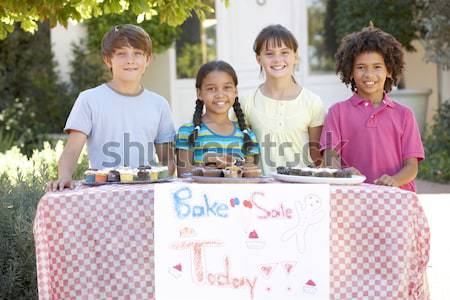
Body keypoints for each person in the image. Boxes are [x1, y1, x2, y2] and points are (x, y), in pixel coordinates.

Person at [47, 24, 176, 191]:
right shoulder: (89, 100)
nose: (130, 60)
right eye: (122, 54)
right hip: (104, 192)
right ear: (108, 60)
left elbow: (167, 160)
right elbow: (71, 151)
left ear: (148, 60)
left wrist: (162, 180)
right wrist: (64, 176)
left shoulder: (159, 104)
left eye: (137, 54)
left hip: (147, 193)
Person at [320, 25, 424, 192]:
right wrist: (343, 173)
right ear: (351, 72)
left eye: (377, 67)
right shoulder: (337, 112)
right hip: (351, 198)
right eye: (361, 67)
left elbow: (412, 166)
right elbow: (330, 159)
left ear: (389, 71)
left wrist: (394, 180)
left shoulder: (404, 114)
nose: (369, 75)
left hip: (396, 199)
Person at [241, 24, 325, 175]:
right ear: (258, 59)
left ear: (295, 56)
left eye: (284, 52)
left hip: (301, 189)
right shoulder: (247, 101)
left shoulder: (312, 102)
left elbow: (317, 156)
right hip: (261, 189)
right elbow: (241, 151)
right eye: (269, 54)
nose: (277, 59)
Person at [176, 60, 260, 175]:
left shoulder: (247, 135)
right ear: (199, 93)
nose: (220, 95)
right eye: (211, 89)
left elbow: (251, 174)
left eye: (227, 87)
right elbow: (183, 174)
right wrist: (213, 165)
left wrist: (234, 165)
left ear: (235, 92)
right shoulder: (187, 132)